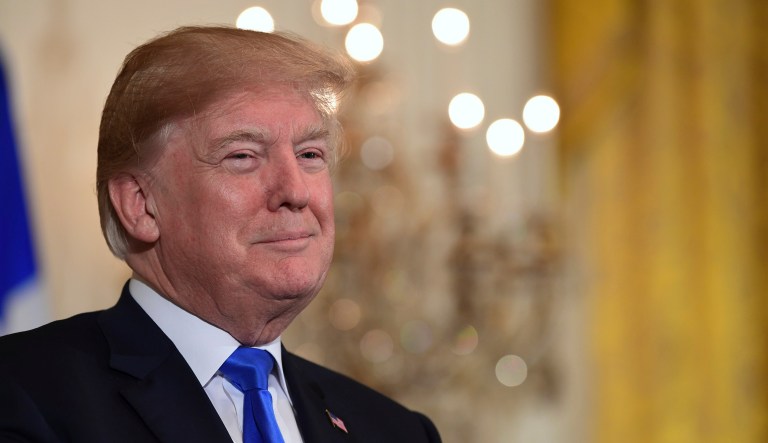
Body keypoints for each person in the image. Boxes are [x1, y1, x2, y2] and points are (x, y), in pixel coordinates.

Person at [0, 26, 441, 443]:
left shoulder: (395, 430)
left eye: (310, 154)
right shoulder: (23, 394)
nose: (296, 191)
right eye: (243, 156)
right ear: (140, 204)